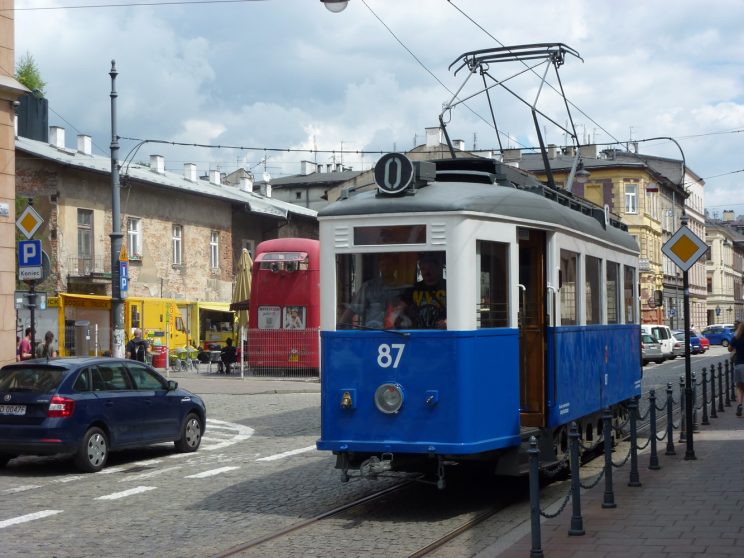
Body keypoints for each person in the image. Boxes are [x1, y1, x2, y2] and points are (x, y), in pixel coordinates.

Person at [340, 253, 409, 329]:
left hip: (395, 334)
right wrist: (339, 328)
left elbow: (407, 313)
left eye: (389, 265)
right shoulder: (368, 287)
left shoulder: (402, 289)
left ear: (395, 266)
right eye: (383, 265)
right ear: (379, 266)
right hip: (371, 333)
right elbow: (353, 309)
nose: (386, 268)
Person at [400, 252, 447, 329]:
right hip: (418, 331)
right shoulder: (412, 289)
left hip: (442, 331)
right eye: (423, 269)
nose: (426, 272)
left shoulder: (448, 286)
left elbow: (459, 308)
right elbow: (399, 308)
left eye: (430, 268)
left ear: (438, 268)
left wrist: (448, 321)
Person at [730, 320, 744, 416]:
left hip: (739, 364)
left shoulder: (736, 337)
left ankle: (739, 405)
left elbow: (729, 348)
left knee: (739, 387)